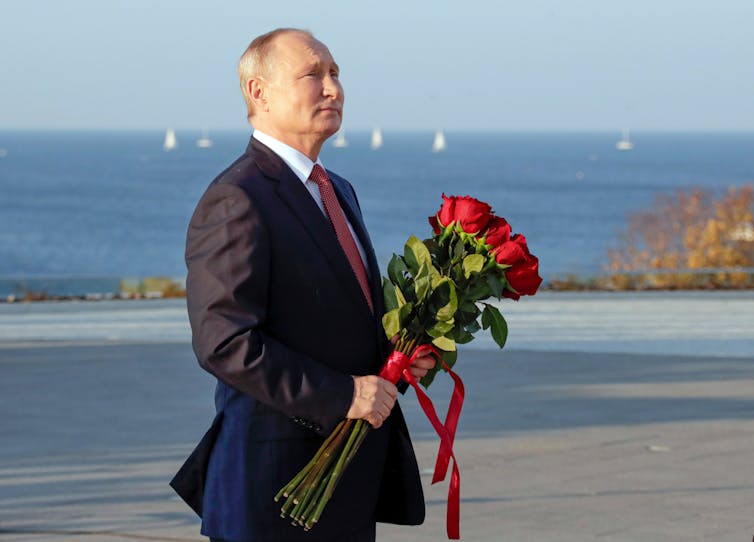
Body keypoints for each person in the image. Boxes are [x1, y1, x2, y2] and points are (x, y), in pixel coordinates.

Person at [170, 28, 435, 542]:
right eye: (313, 74)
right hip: (273, 490)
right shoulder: (237, 197)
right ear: (258, 92)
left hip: (346, 487)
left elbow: (334, 321)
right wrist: (343, 394)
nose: (333, 88)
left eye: (335, 73)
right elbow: (224, 343)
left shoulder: (338, 190)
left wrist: (398, 359)